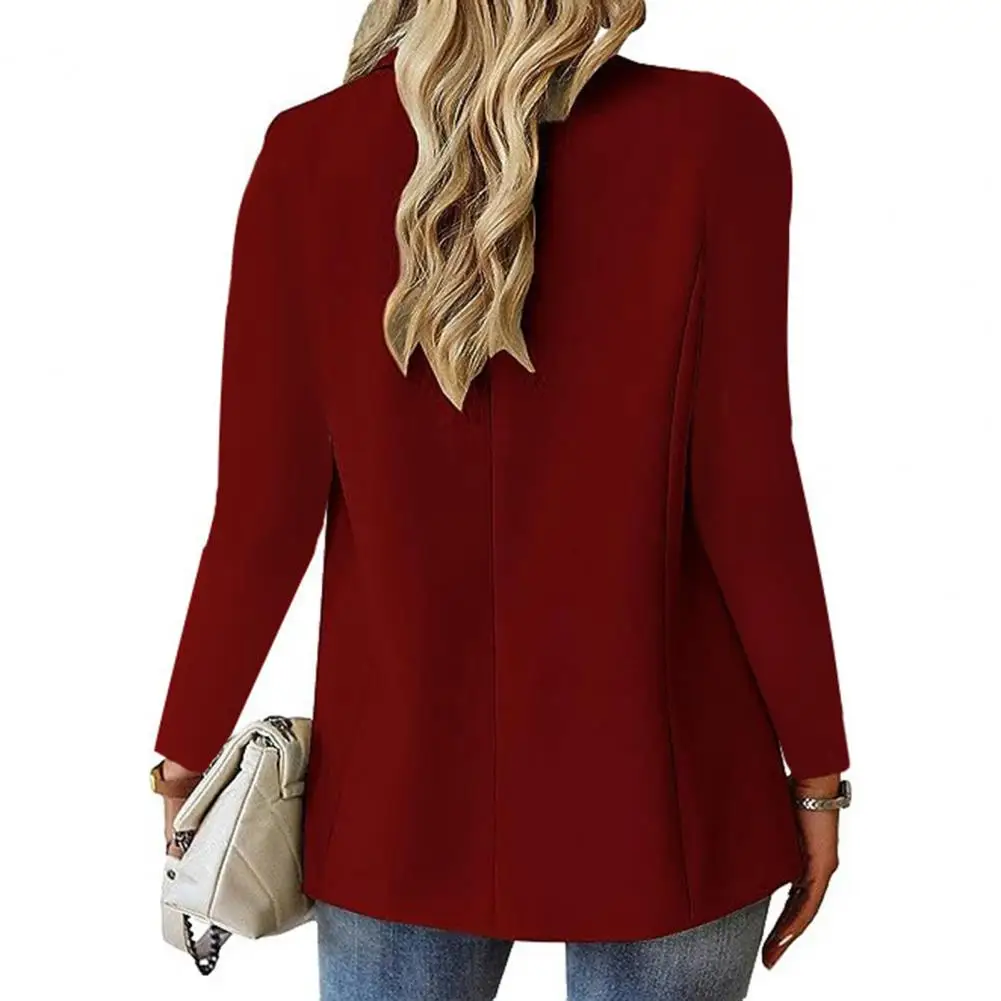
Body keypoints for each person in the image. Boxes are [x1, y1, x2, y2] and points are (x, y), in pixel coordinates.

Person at [150, 1, 852, 998]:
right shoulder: (715, 136)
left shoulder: (307, 153)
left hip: (394, 800)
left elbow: (262, 516)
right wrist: (818, 774)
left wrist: (185, 753)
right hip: (670, 796)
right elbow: (749, 488)